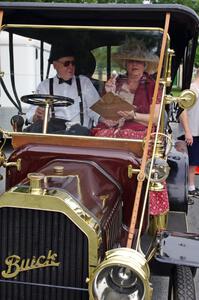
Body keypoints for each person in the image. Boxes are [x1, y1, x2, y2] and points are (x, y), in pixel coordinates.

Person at [93, 38, 162, 139]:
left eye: (138, 61)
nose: (134, 64)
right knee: (99, 135)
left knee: (126, 134)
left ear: (145, 64)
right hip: (112, 129)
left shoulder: (152, 86)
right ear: (125, 64)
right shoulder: (116, 81)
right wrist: (109, 94)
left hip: (138, 131)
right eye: (131, 61)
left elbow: (156, 118)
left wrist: (133, 116)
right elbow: (103, 115)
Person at [25, 44, 101, 134]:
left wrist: (108, 118)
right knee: (38, 128)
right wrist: (37, 116)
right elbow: (31, 114)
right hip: (54, 134)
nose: (71, 67)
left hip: (80, 136)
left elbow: (97, 110)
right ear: (55, 65)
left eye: (73, 63)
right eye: (66, 63)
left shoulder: (84, 83)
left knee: (78, 130)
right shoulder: (45, 86)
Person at [178, 68, 199, 197]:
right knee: (190, 162)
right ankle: (188, 189)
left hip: (197, 131)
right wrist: (187, 131)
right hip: (192, 132)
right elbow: (182, 111)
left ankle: (191, 187)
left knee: (195, 161)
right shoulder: (191, 89)